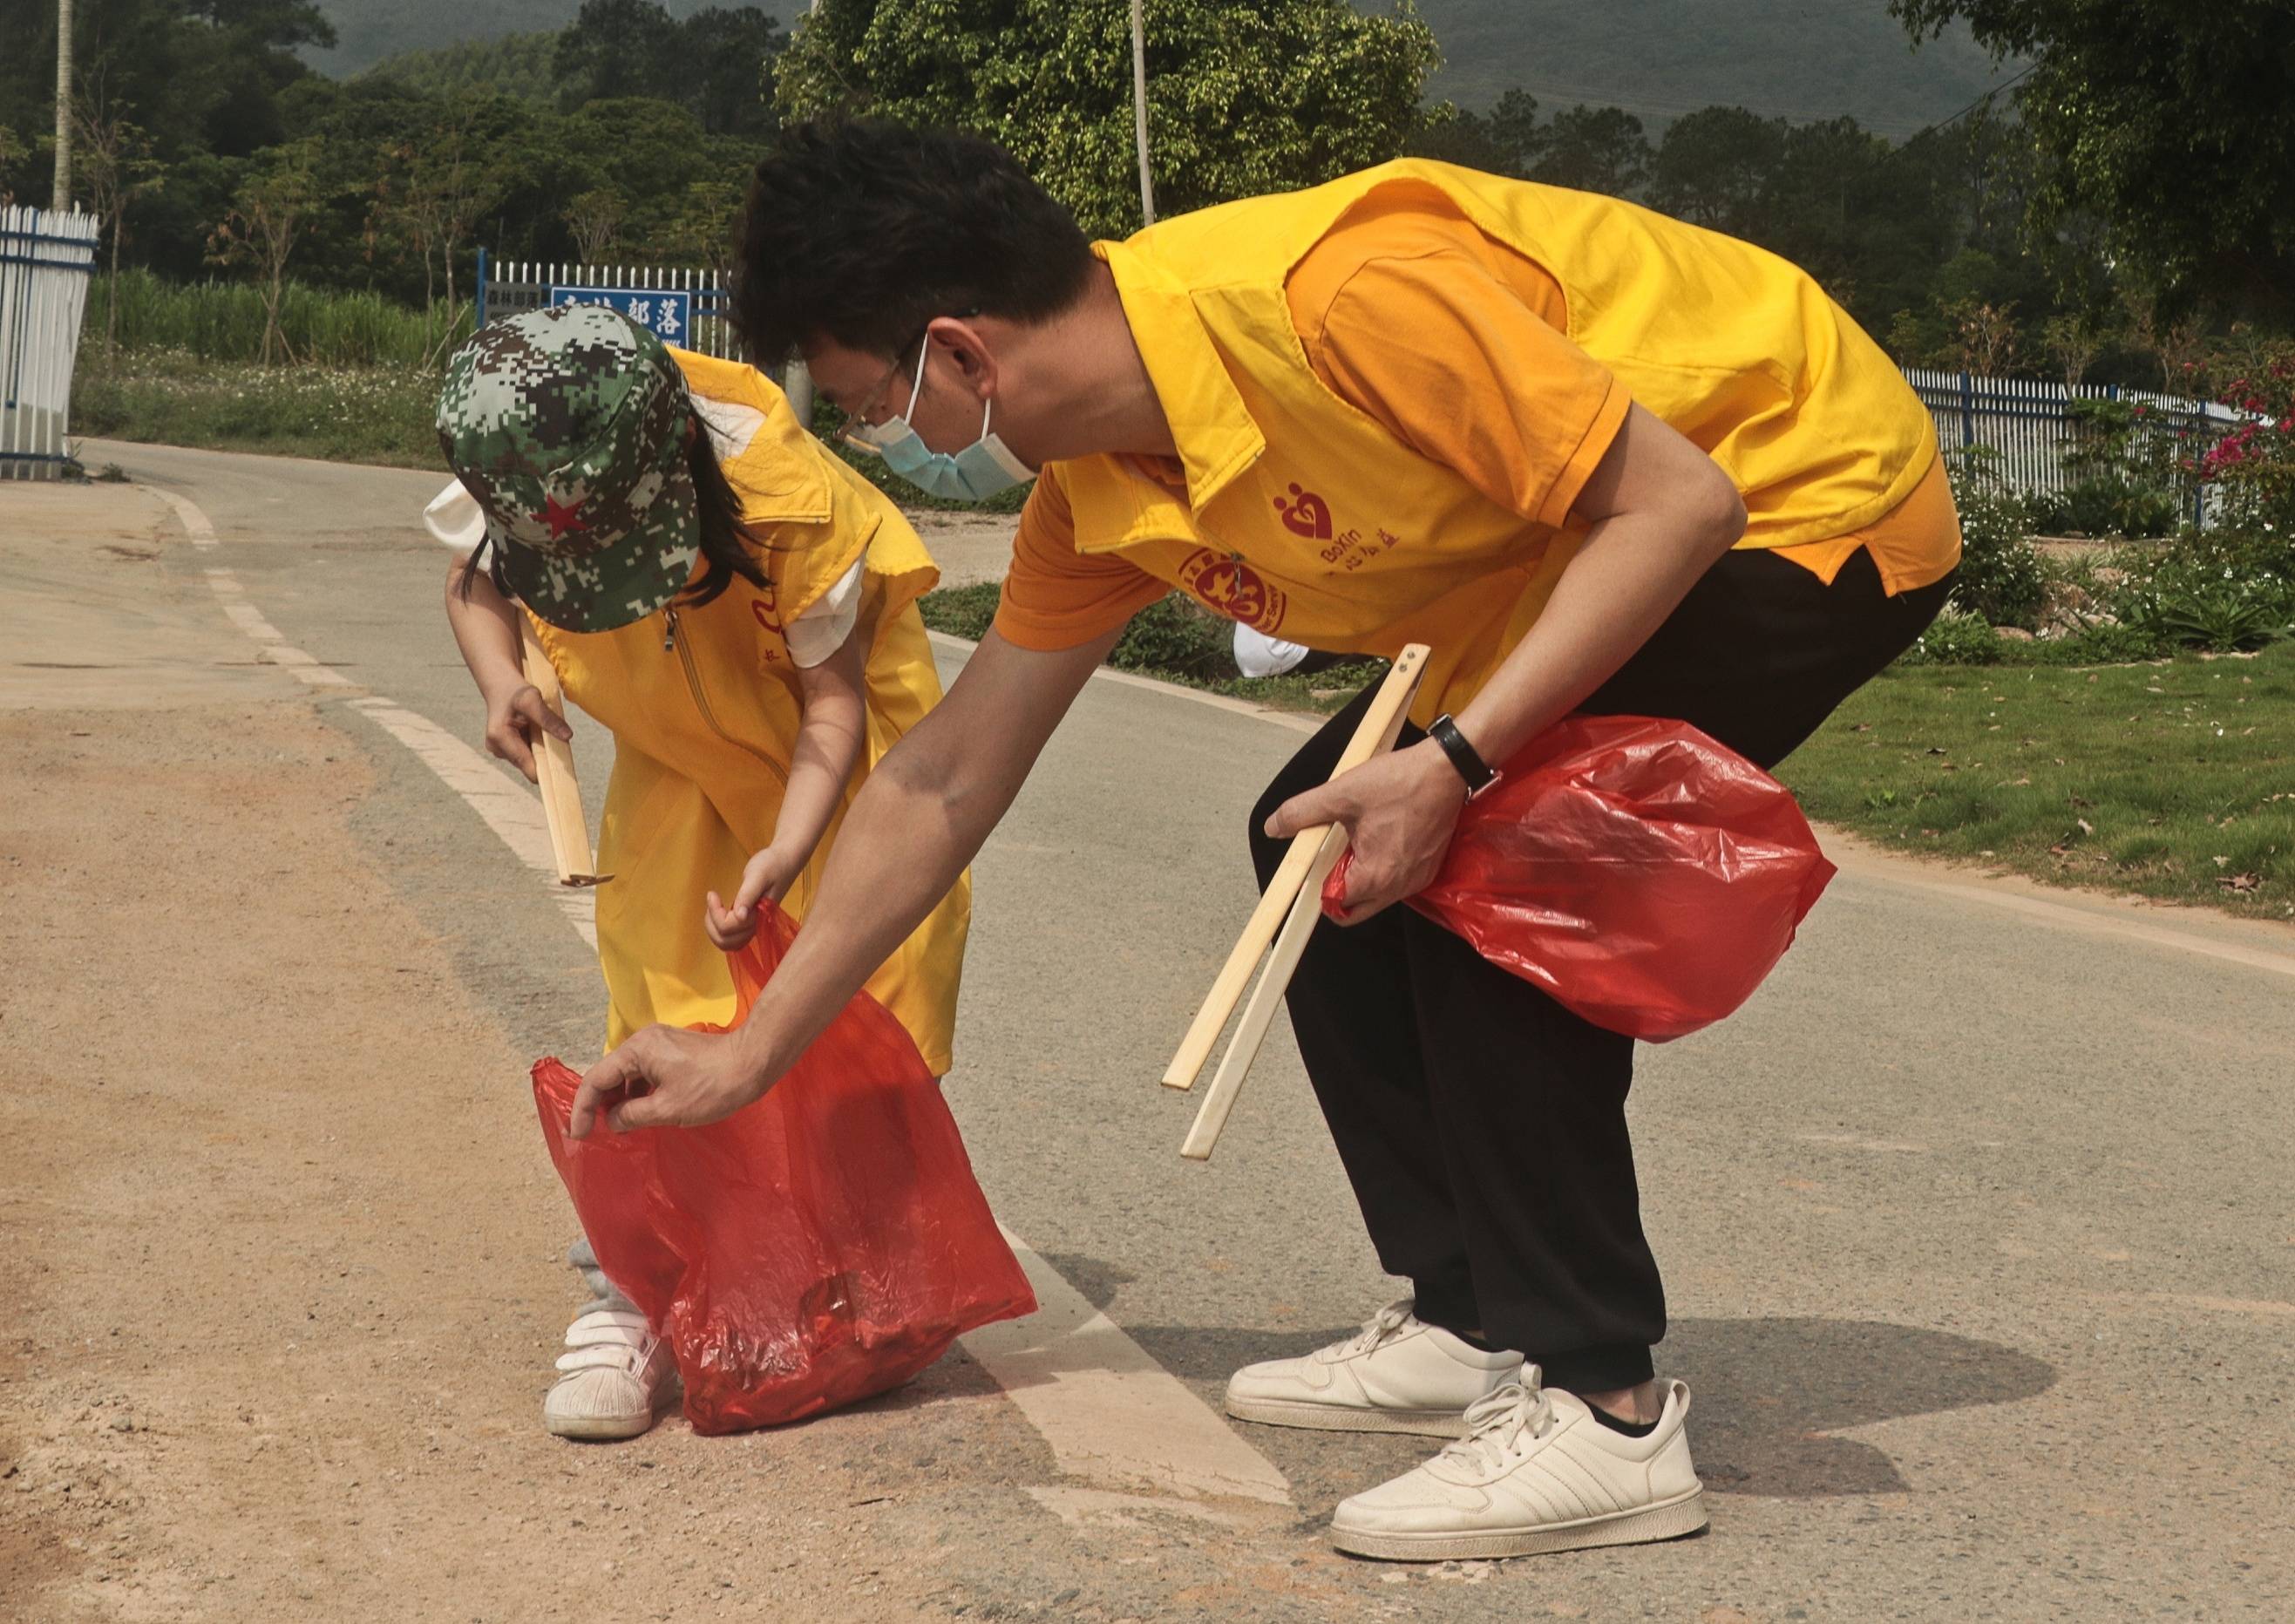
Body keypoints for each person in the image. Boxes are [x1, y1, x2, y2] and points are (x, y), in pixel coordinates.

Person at [568, 124, 1959, 1557]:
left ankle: (1603, 1406)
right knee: (1312, 841)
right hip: (1573, 545)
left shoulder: (1342, 304)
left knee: (1480, 866)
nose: (883, 444)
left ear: (961, 356)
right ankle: (1468, 1312)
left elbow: (1679, 501)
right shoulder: (1101, 493)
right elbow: (943, 779)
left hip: (1800, 501)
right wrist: (749, 1050)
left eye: (870, 407)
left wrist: (1458, 764)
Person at [430, 302, 970, 1440]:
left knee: (862, 1015)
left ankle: (834, 1280)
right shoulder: (526, 448)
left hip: (841, 757)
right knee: (667, 1003)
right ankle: (629, 1292)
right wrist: (500, 687)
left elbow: (830, 709)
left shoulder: (789, 505)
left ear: (674, 463)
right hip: (679, 751)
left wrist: (787, 843)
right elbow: (475, 586)